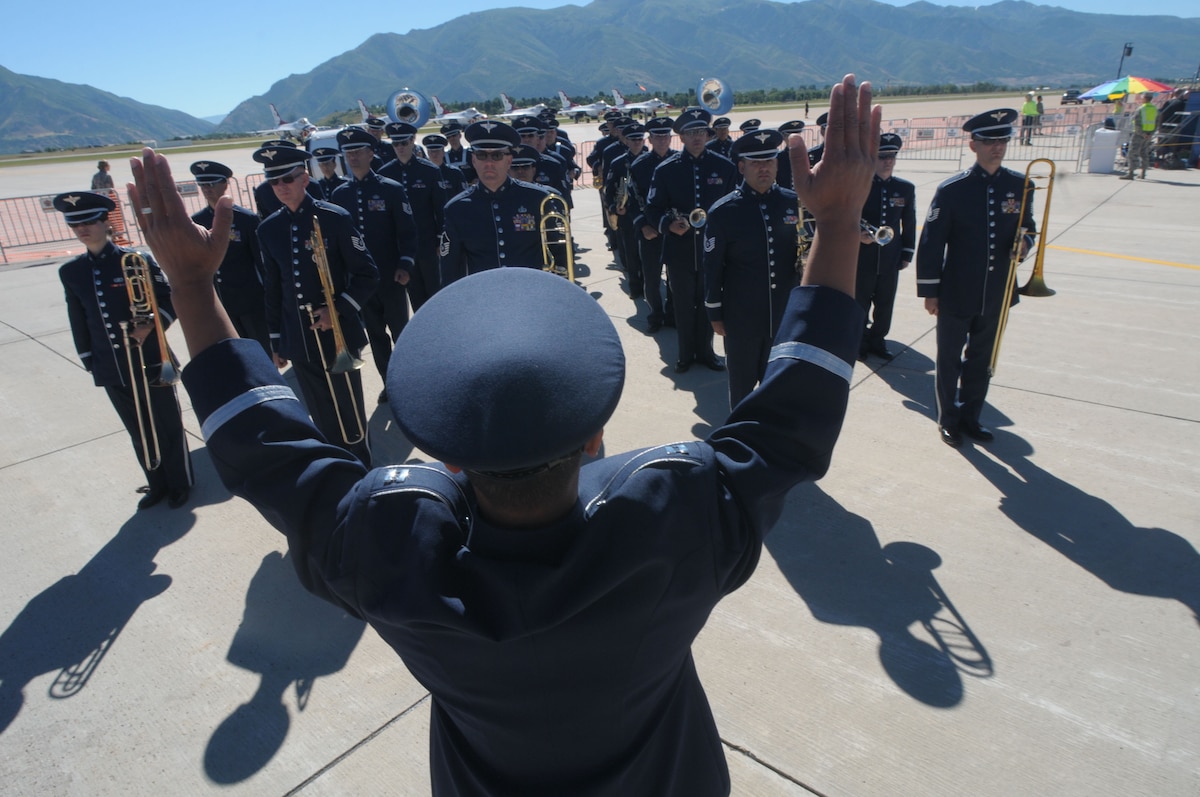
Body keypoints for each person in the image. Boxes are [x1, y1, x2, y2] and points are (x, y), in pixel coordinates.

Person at [129, 72, 880, 797]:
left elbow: (264, 448)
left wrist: (191, 285)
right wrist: (840, 222)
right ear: (596, 440)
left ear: (451, 456)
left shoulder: (391, 552)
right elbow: (795, 414)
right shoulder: (677, 520)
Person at [55, 191, 192, 510]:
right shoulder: (71, 272)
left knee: (166, 423)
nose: (82, 229)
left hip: (149, 359)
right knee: (138, 428)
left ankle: (179, 482)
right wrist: (89, 359)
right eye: (75, 223)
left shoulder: (136, 260)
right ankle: (156, 483)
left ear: (107, 223)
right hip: (110, 363)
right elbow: (79, 318)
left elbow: (168, 298)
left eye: (89, 221)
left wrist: (152, 325)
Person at [253, 143, 378, 465]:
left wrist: (336, 309)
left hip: (338, 333)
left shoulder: (334, 218)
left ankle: (362, 466)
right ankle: (338, 467)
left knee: (348, 410)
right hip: (299, 337)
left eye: (287, 180)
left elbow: (367, 275)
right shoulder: (269, 229)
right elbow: (273, 289)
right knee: (321, 414)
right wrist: (277, 339)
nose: (280, 188)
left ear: (304, 178)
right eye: (274, 182)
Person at [916, 108, 1035, 448]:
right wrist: (930, 291)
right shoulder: (954, 190)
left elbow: (1030, 228)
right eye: (989, 141)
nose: (997, 147)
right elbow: (932, 243)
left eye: (1002, 140)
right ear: (973, 145)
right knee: (949, 359)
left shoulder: (1020, 185)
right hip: (956, 290)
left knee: (982, 360)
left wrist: (1024, 245)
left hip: (998, 291)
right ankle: (948, 420)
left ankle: (971, 417)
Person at [702, 129, 800, 408]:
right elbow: (713, 267)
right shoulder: (723, 211)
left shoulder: (793, 203)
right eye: (756, 163)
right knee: (742, 391)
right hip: (741, 318)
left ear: (777, 165)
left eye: (769, 161)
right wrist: (715, 312)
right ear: (742, 167)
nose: (764, 168)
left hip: (783, 316)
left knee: (780, 391)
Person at [644, 107, 737, 373]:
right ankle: (685, 354)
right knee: (683, 305)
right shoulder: (665, 170)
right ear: (681, 138)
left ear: (708, 135)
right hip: (679, 250)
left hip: (713, 250)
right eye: (690, 132)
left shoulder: (724, 166)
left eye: (701, 132)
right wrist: (669, 225)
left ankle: (706, 352)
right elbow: (652, 209)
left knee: (708, 302)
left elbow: (734, 205)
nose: (697, 137)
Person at [328, 127, 418, 401]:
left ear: (371, 153)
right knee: (376, 336)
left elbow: (407, 231)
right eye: (348, 152)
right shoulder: (340, 195)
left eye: (358, 151)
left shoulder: (391, 189)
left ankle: (410, 382)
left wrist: (406, 264)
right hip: (361, 283)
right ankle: (389, 383)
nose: (352, 157)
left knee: (401, 333)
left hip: (391, 276)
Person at [439, 120, 559, 286]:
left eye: (497, 155)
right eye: (482, 155)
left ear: (509, 160)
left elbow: (558, 253)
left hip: (532, 294)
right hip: (484, 299)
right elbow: (450, 270)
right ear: (473, 160)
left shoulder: (538, 199)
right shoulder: (456, 209)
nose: (489, 163)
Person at [189, 160, 270, 356]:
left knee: (261, 352)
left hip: (249, 300)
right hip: (219, 302)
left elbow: (261, 263)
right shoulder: (196, 222)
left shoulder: (246, 219)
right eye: (203, 185)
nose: (207, 189)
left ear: (225, 184)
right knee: (233, 355)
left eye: (212, 184)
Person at [855, 133, 916, 361]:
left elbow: (908, 221)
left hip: (890, 256)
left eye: (891, 156)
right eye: (883, 156)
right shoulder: (861, 186)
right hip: (864, 255)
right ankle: (860, 342)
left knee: (885, 302)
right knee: (860, 301)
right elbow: (849, 217)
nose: (888, 161)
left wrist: (907, 251)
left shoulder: (904, 188)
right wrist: (858, 236)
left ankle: (878, 341)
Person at [379, 122, 448, 311]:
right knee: (415, 296)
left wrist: (440, 241)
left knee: (435, 293)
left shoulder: (429, 171)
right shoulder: (385, 174)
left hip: (427, 244)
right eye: (396, 144)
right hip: (402, 248)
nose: (400, 148)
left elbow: (441, 210)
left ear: (412, 141)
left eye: (404, 143)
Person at [630, 116, 676, 333]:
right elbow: (632, 199)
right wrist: (643, 226)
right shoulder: (639, 166)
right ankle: (656, 314)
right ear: (650, 138)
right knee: (651, 278)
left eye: (665, 135)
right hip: (651, 232)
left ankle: (674, 313)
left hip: (676, 232)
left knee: (677, 277)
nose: (662, 140)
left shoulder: (679, 162)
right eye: (657, 136)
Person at [1122, 91, 1157, 180]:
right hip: (1149, 134)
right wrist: (1150, 134)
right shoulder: (1154, 109)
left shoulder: (1141, 109)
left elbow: (1137, 123)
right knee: (1144, 153)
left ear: (1144, 98)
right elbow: (1157, 122)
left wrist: (1142, 134)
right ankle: (1143, 172)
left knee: (1132, 152)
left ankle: (1131, 172)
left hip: (1139, 134)